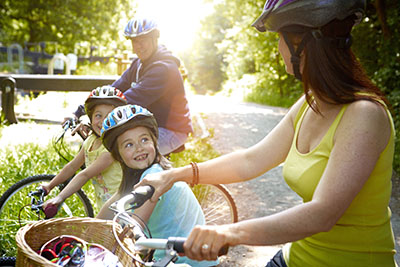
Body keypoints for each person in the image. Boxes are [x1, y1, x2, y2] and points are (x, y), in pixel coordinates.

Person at [134, 0, 397, 266]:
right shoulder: (310, 104)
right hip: (295, 258)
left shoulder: (365, 115)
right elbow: (251, 160)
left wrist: (228, 233)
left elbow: (323, 214)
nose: (278, 51)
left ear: (300, 44)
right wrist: (175, 176)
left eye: (280, 40)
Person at [96, 104, 217, 267]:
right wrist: (90, 229)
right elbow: (113, 204)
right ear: (118, 155)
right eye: (129, 145)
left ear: (154, 142)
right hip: (185, 258)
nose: (139, 148)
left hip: (186, 261)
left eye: (144, 140)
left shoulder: (153, 176)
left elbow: (134, 229)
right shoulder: (142, 175)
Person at [70, 17, 193, 156]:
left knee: (119, 152)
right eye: (135, 41)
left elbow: (127, 100)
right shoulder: (139, 64)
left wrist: (94, 117)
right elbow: (113, 91)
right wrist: (79, 112)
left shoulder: (163, 69)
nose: (139, 46)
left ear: (155, 39)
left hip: (170, 130)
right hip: (150, 124)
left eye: (143, 40)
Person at [42, 86, 126, 213]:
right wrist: (49, 186)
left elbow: (85, 174)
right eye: (98, 115)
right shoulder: (90, 141)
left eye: (109, 116)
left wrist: (60, 197)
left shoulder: (111, 149)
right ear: (90, 117)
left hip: (123, 207)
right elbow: (72, 167)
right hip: (106, 206)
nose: (103, 121)